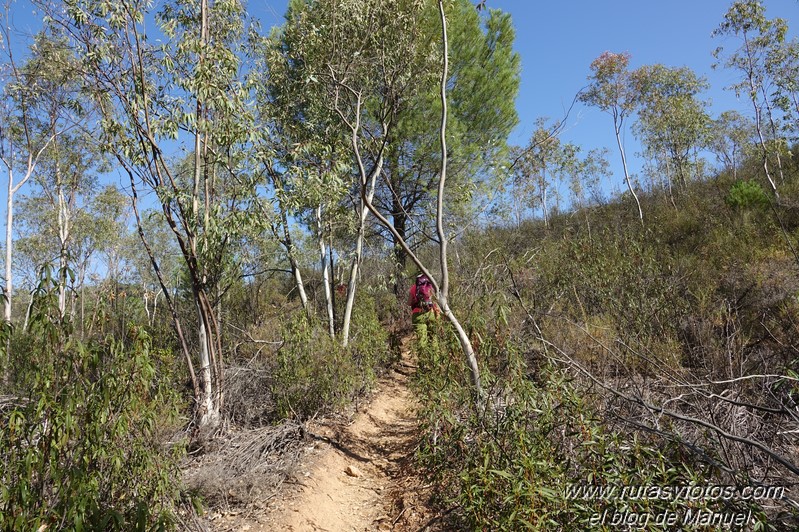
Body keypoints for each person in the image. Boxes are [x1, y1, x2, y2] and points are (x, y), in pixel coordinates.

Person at [408, 273, 439, 350]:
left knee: (422, 340)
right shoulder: (431, 287)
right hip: (431, 313)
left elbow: (409, 303)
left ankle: (424, 360)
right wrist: (437, 313)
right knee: (433, 338)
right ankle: (435, 360)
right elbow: (435, 301)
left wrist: (415, 302)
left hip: (418, 315)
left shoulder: (414, 288)